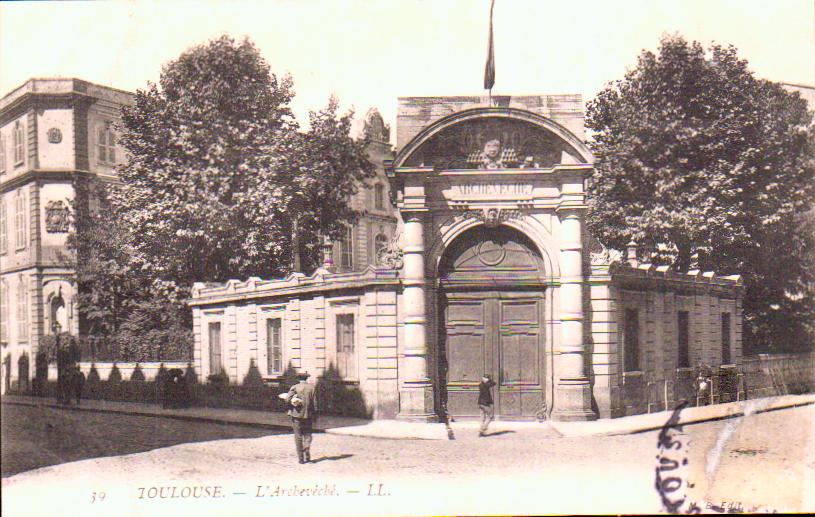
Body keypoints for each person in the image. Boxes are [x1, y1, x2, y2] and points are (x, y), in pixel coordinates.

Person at [284, 372, 317, 464]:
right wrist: (314, 415)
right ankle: (306, 448)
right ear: (306, 378)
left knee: (298, 436)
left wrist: (292, 402)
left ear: (298, 378)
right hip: (308, 415)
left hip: (296, 415)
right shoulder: (312, 387)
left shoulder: (295, 387)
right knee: (307, 434)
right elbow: (314, 403)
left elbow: (287, 399)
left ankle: (301, 458)